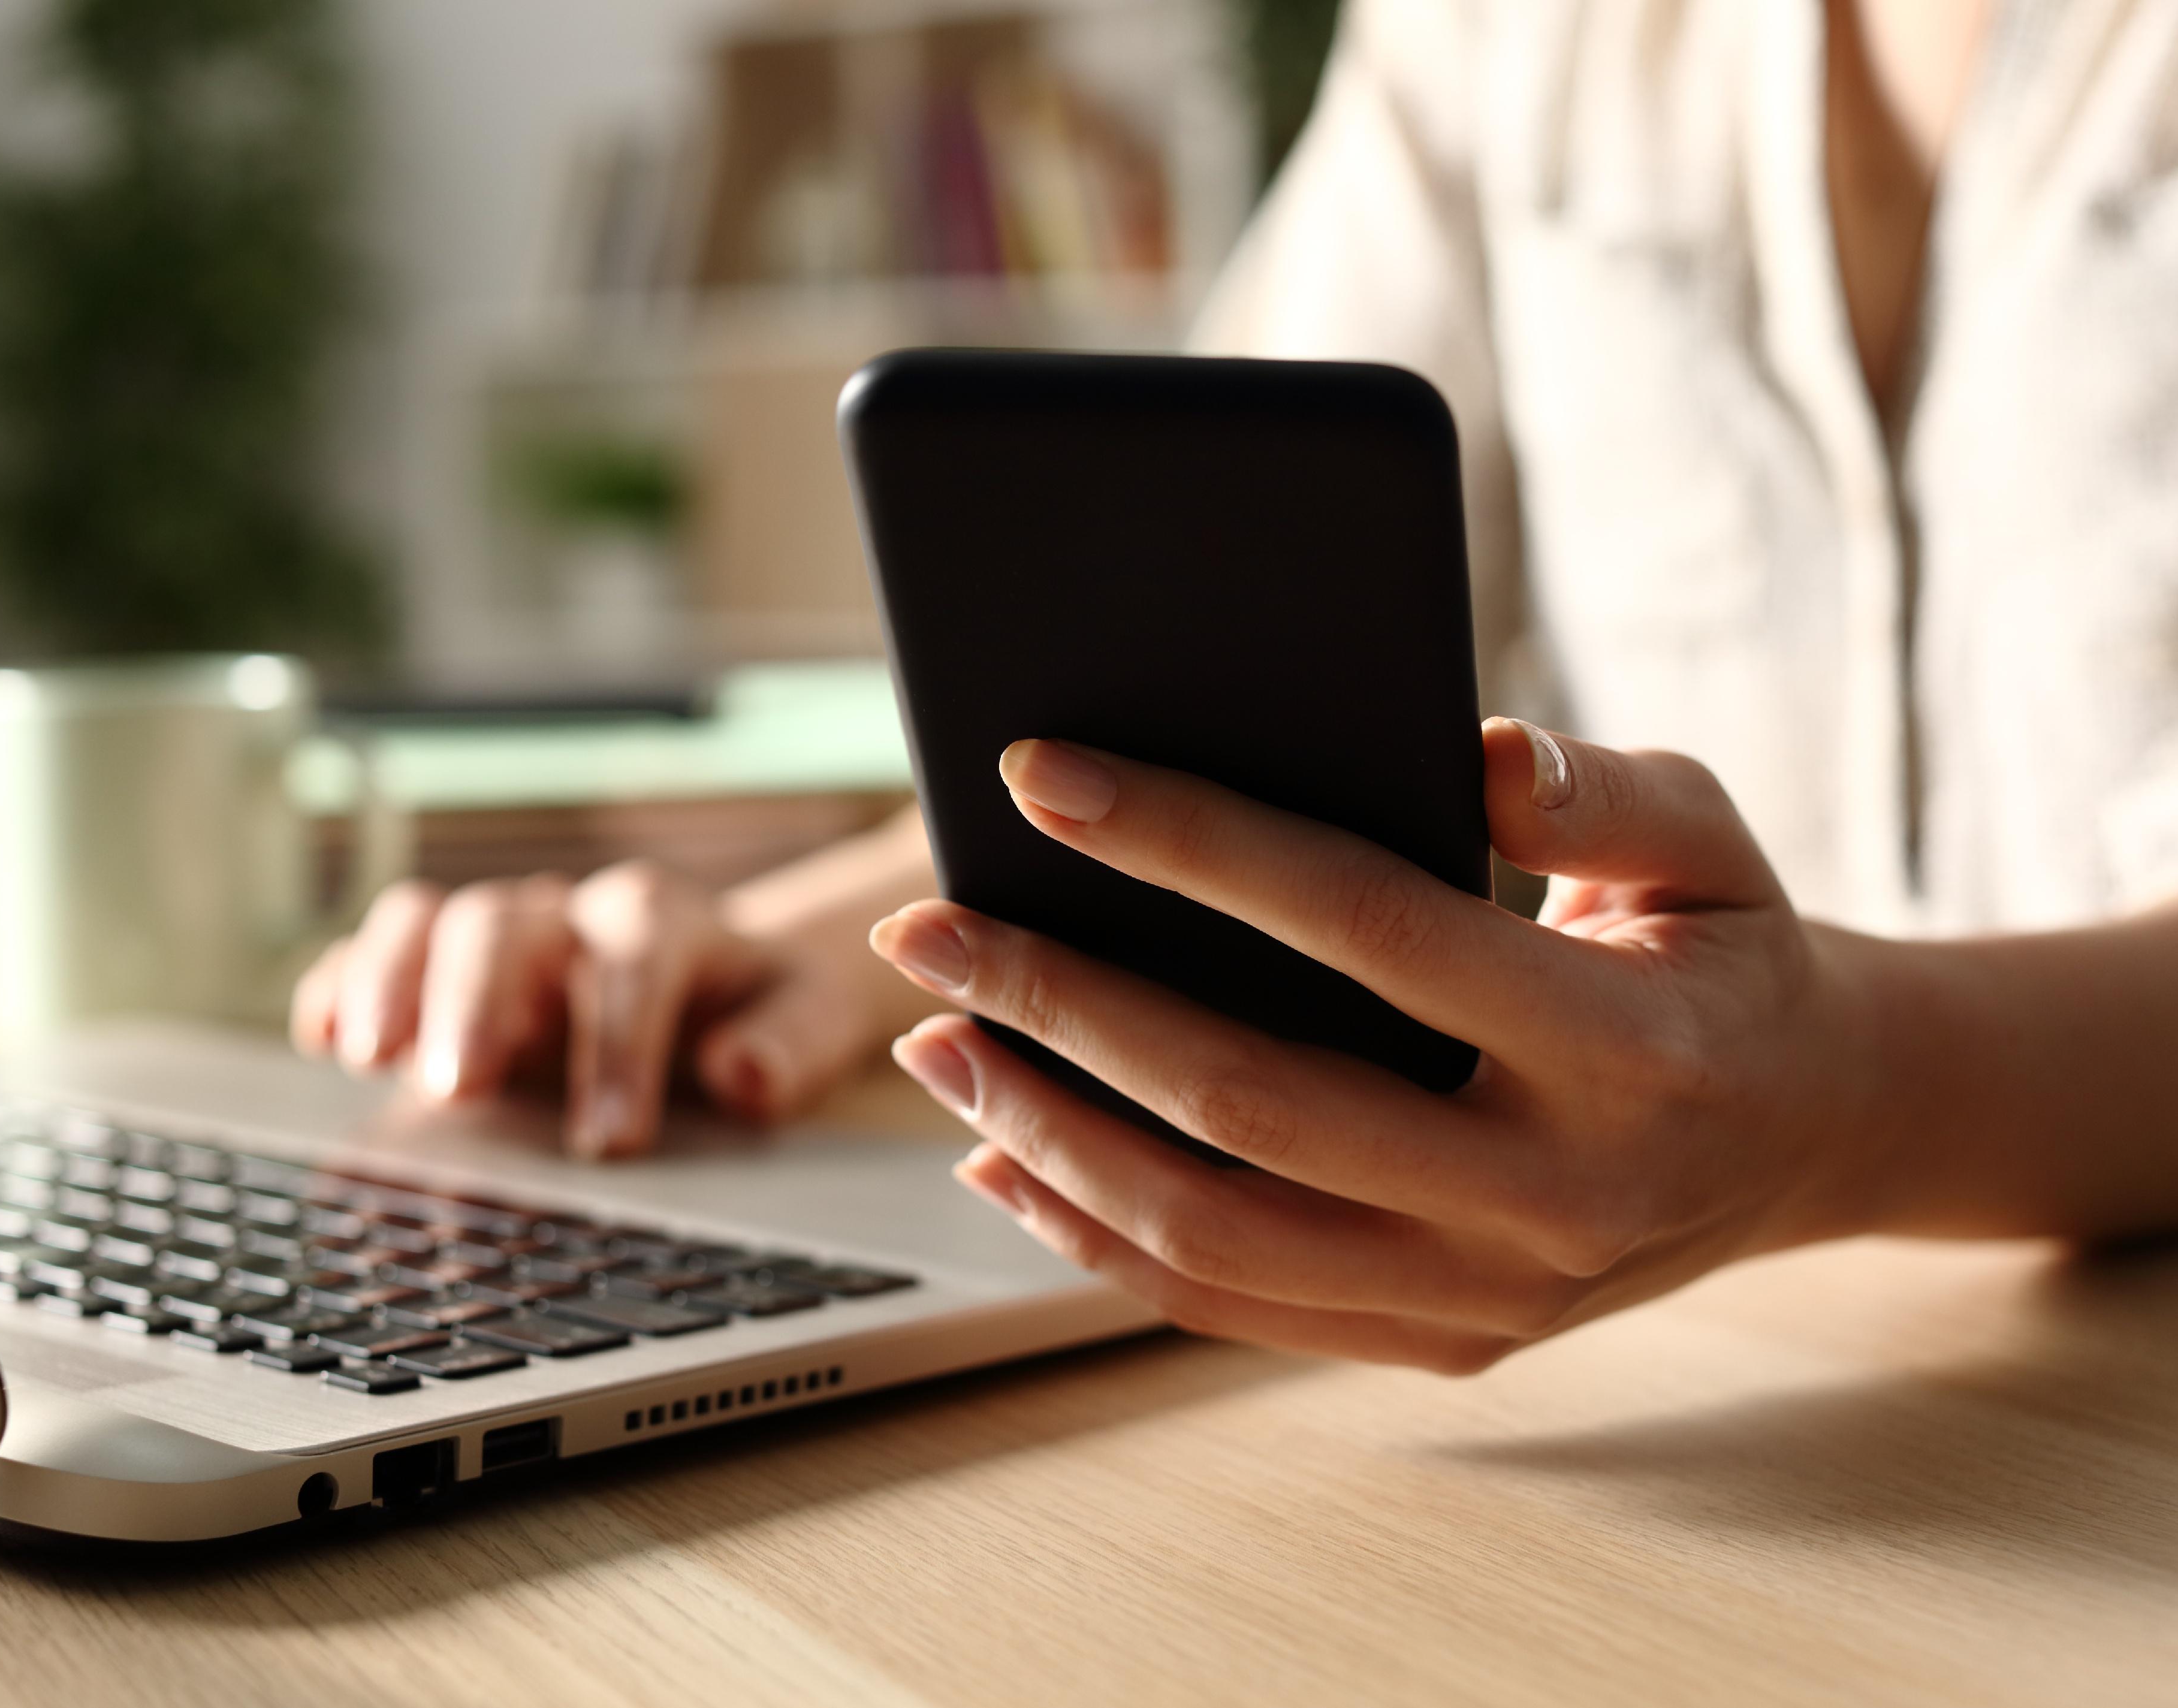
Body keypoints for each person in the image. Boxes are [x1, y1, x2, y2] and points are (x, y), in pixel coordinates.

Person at [295, 0, 2178, 1371]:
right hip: (1774, 1359)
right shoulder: (1494, 38)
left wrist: (1849, 1097)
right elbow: (1189, 657)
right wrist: (749, 956)